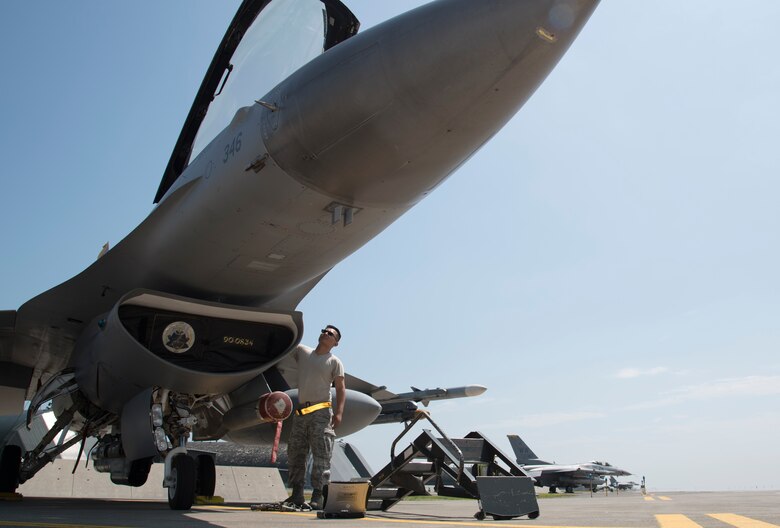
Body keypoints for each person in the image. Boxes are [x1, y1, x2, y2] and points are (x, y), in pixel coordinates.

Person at [284, 325, 345, 510]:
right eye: (324, 331)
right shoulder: (303, 351)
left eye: (330, 333)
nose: (325, 334)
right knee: (296, 453)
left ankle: (318, 495)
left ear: (336, 343)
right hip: (302, 411)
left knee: (321, 455)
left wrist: (339, 413)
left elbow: (340, 388)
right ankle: (297, 494)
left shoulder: (334, 362)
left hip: (321, 412)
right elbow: (287, 346)